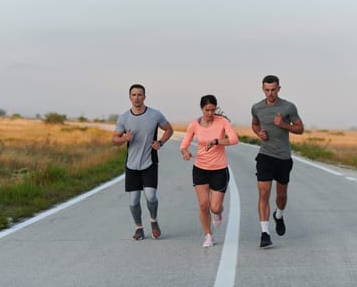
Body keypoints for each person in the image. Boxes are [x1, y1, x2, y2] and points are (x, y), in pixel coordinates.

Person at [112, 83, 174, 241]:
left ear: (144, 97)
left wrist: (160, 143)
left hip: (149, 161)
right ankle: (139, 228)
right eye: (134, 95)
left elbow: (169, 129)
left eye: (140, 95)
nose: (137, 98)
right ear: (129, 97)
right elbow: (115, 139)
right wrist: (124, 138)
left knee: (150, 196)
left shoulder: (155, 114)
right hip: (132, 164)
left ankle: (154, 221)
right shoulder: (124, 117)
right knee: (133, 201)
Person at [251, 75, 304, 248]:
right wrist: (259, 133)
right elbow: (255, 124)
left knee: (281, 196)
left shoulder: (288, 107)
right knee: (263, 193)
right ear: (262, 89)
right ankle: (265, 233)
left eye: (273, 89)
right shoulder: (257, 107)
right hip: (265, 155)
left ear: (279, 89)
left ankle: (279, 215)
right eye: (267, 90)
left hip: (283, 158)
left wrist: (283, 125)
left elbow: (300, 128)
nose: (270, 93)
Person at [180, 95, 239, 247]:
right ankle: (208, 235)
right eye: (207, 110)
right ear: (202, 109)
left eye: (213, 110)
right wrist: (185, 152)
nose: (210, 113)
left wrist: (216, 141)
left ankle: (218, 212)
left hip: (219, 169)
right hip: (200, 168)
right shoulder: (194, 124)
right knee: (203, 205)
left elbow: (234, 139)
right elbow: (184, 144)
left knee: (215, 207)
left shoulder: (222, 122)